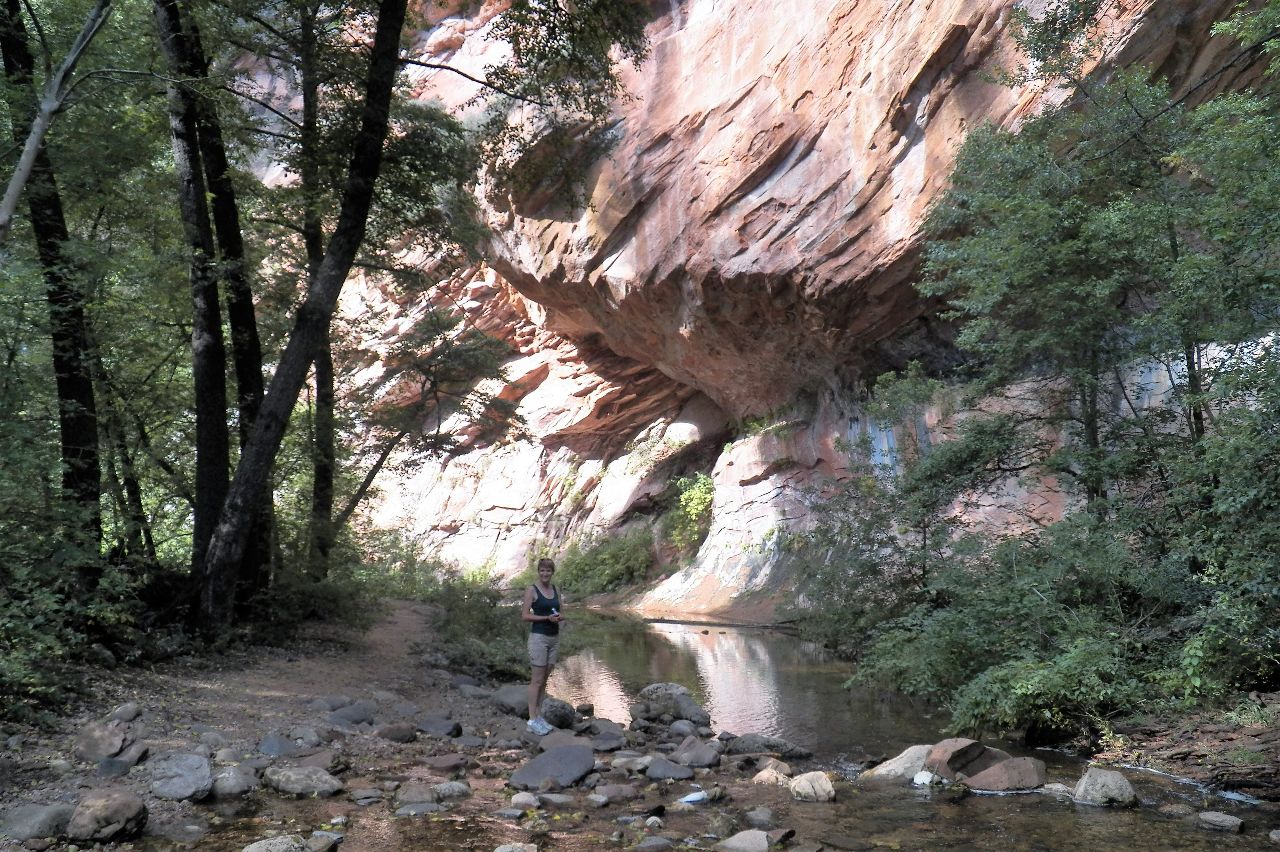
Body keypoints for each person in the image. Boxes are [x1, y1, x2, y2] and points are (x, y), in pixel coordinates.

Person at [522, 557, 564, 735]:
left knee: (545, 680)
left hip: (554, 638)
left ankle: (538, 716)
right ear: (538, 572)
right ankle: (532, 720)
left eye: (548, 571)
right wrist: (546, 618)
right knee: (537, 680)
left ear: (552, 572)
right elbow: (525, 616)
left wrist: (559, 617)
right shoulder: (532, 590)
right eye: (542, 570)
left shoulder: (555, 589)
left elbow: (561, 610)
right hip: (538, 638)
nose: (545, 573)